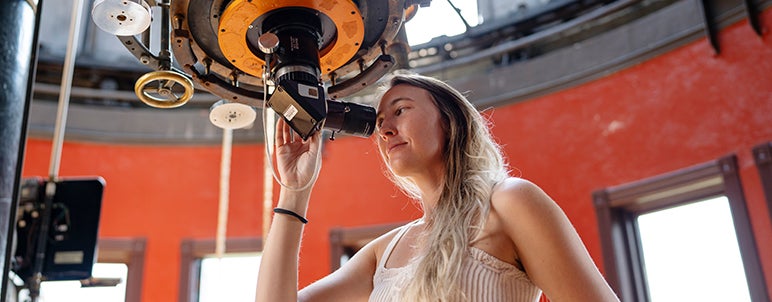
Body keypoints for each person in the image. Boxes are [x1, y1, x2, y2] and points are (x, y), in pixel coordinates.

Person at [256, 72, 620, 302]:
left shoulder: (509, 202)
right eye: (380, 121)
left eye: (400, 111)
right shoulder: (382, 252)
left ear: (451, 121)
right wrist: (295, 191)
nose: (384, 130)